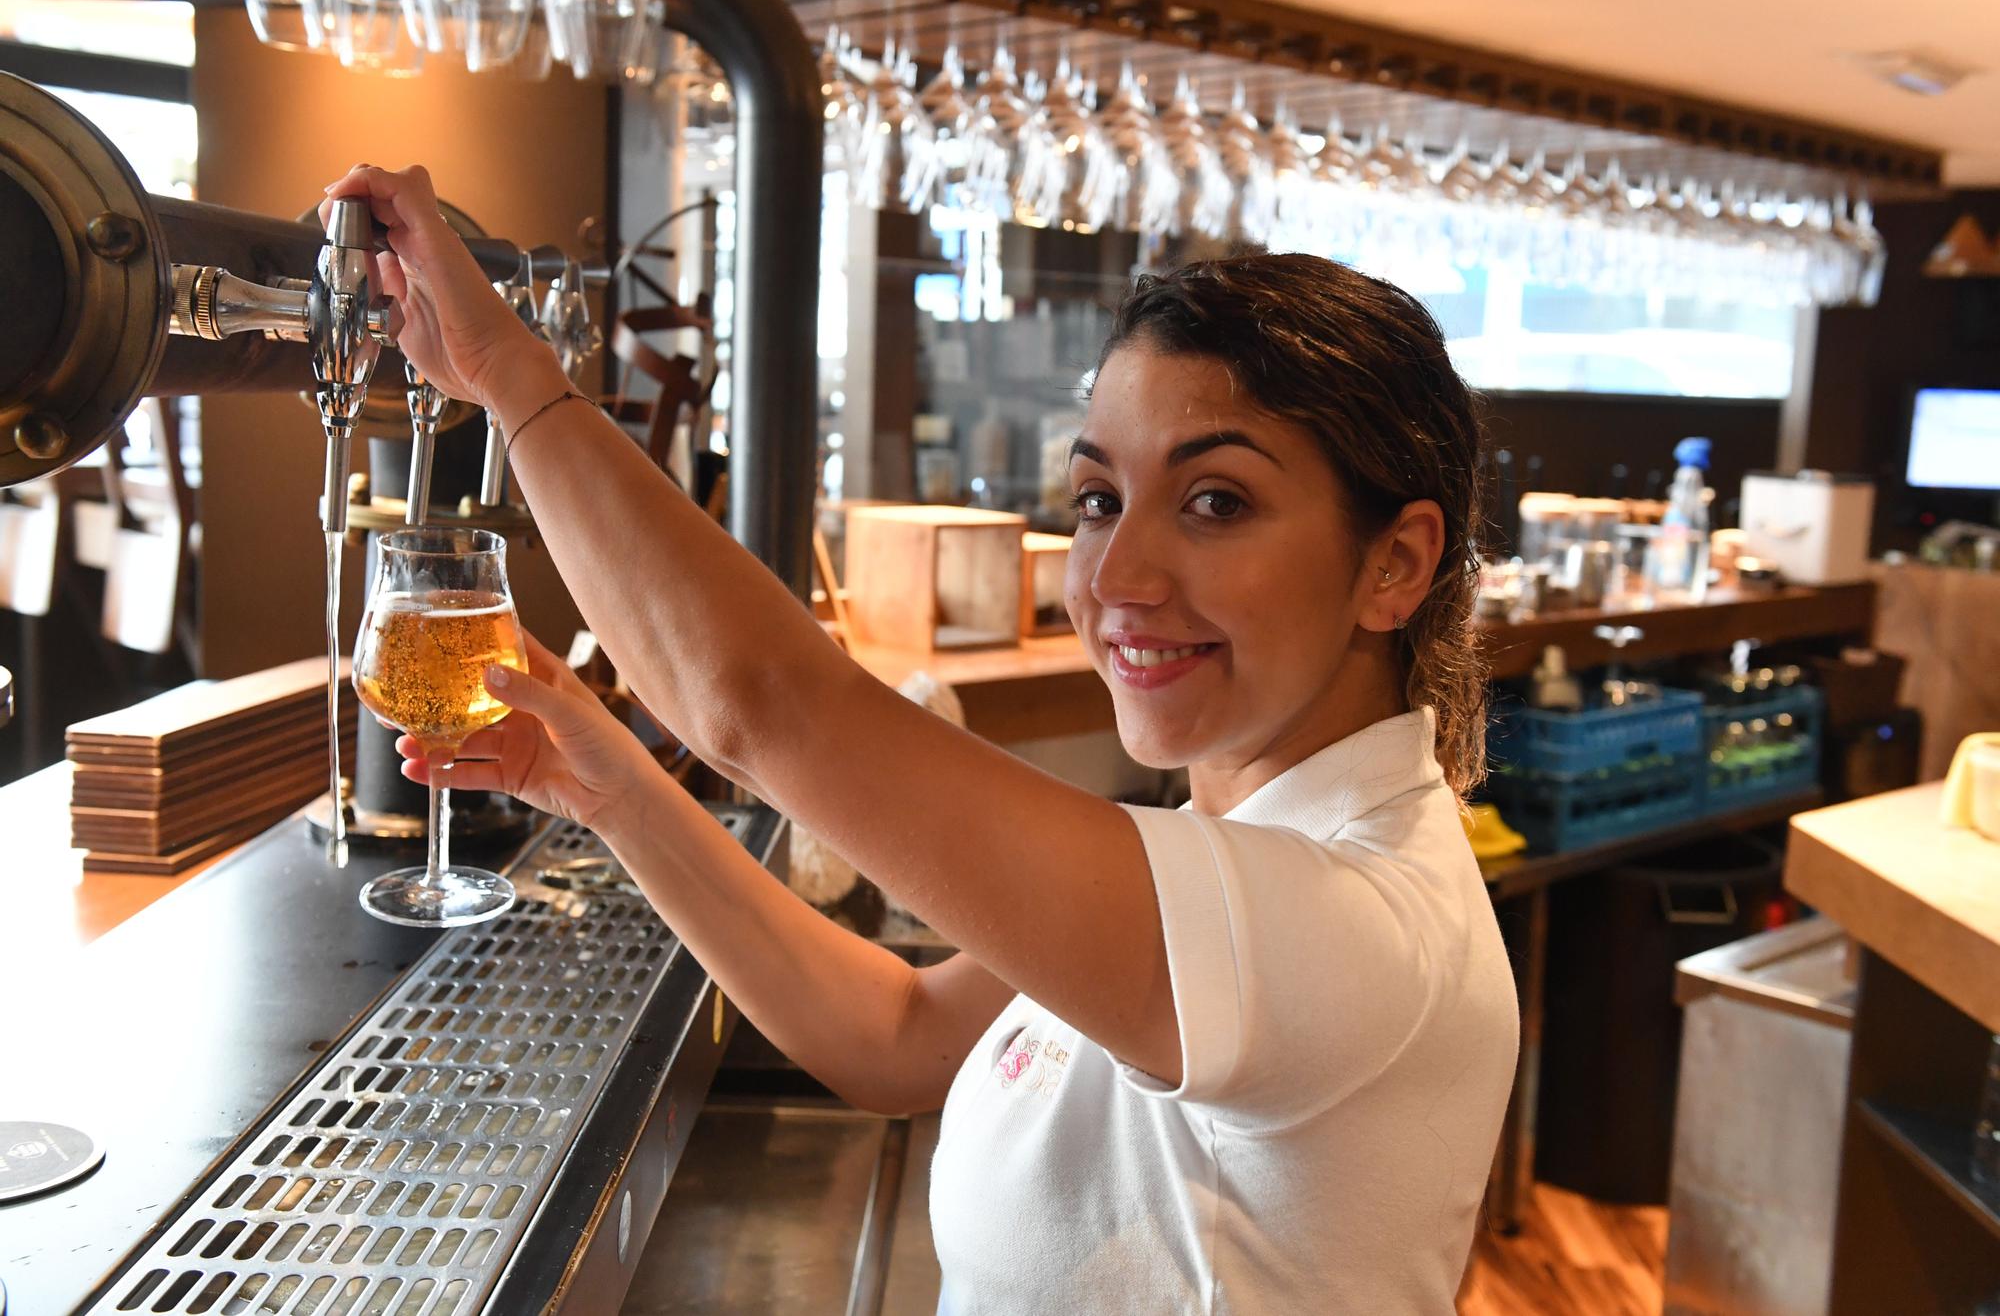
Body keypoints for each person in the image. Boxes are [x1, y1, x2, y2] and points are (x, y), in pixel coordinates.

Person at [322, 164, 1518, 1313]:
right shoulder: (1217, 856)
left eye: (1215, 502)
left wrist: (509, 375)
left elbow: (758, 701)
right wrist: (613, 789)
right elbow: (895, 1036)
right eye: (1099, 498)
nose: (1117, 578)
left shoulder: (1348, 929)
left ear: (1394, 564)